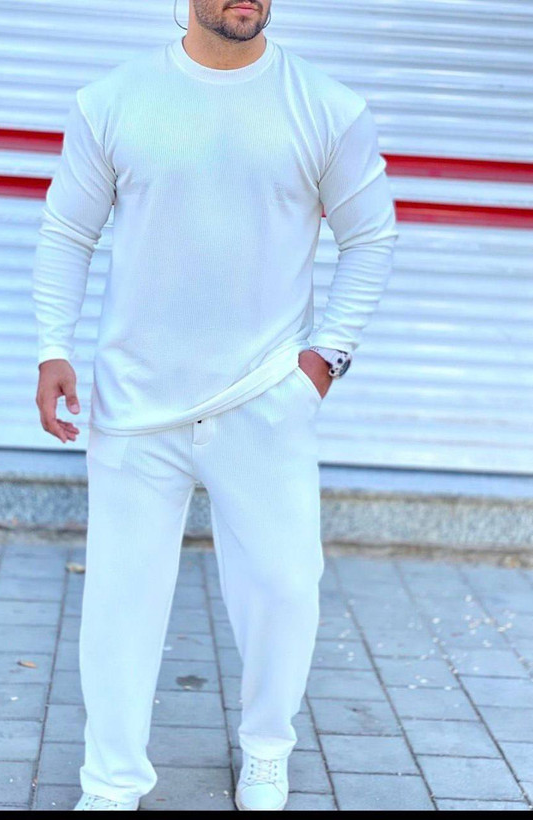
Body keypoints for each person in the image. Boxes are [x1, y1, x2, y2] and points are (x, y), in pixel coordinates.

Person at [32, 0, 398, 811]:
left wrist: (324, 361)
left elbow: (370, 235)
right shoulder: (112, 101)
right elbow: (67, 231)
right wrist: (52, 348)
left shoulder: (327, 108)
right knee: (120, 600)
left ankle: (266, 751)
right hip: (135, 401)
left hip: (264, 397)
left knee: (285, 587)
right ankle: (111, 782)